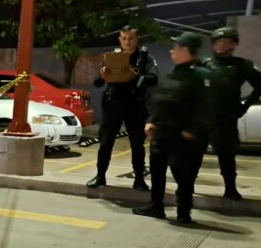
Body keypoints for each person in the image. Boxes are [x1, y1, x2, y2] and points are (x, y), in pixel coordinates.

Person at [133, 33, 208, 224]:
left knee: (183, 176)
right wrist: (151, 120)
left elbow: (206, 107)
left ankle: (183, 212)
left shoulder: (200, 75)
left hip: (182, 135)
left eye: (176, 47)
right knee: (157, 172)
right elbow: (161, 101)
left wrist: (192, 130)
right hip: (162, 133)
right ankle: (156, 207)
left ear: (186, 50)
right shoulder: (172, 73)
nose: (171, 51)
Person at [87, 25, 158, 190]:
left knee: (137, 144)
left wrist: (136, 76)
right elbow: (97, 82)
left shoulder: (145, 57)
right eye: (124, 38)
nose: (128, 42)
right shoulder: (113, 57)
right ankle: (100, 176)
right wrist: (103, 75)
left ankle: (139, 178)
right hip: (113, 103)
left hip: (135, 104)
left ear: (137, 38)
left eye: (131, 38)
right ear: (120, 39)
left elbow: (153, 78)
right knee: (105, 142)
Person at [200, 27, 261, 200]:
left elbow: (260, 85)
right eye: (217, 41)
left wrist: (244, 106)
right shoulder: (204, 64)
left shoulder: (242, 65)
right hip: (202, 117)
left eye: (224, 41)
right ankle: (187, 187)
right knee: (193, 154)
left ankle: (230, 188)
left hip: (225, 118)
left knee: (226, 155)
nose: (219, 45)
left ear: (233, 44)